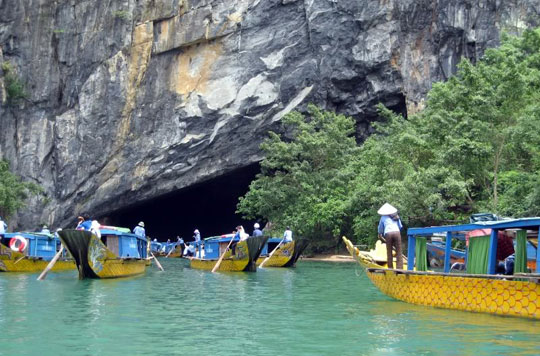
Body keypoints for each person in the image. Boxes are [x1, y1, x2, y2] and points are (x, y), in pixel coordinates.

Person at [377, 203, 403, 270]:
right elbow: (400, 226)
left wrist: (380, 234)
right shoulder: (396, 216)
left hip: (388, 234)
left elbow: (380, 228)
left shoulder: (383, 217)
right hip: (397, 233)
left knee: (389, 251)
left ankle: (390, 268)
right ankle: (399, 269)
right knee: (399, 251)